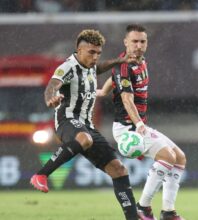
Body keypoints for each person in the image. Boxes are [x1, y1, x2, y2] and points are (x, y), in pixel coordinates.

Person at [30, 29, 141, 220]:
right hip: (67, 120)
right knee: (84, 138)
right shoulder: (67, 67)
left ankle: (132, 217)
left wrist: (120, 61)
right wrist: (51, 98)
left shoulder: (90, 65)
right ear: (79, 50)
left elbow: (98, 68)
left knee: (119, 169)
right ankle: (40, 175)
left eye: (98, 53)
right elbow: (52, 85)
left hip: (87, 126)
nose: (96, 57)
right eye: (91, 52)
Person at [97, 24, 187, 220]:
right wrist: (139, 125)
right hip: (128, 128)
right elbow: (127, 100)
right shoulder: (124, 67)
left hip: (138, 124)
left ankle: (168, 212)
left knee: (180, 157)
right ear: (126, 42)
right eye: (134, 41)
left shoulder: (140, 60)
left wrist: (104, 91)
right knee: (167, 158)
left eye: (142, 41)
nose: (138, 45)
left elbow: (114, 78)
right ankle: (143, 207)